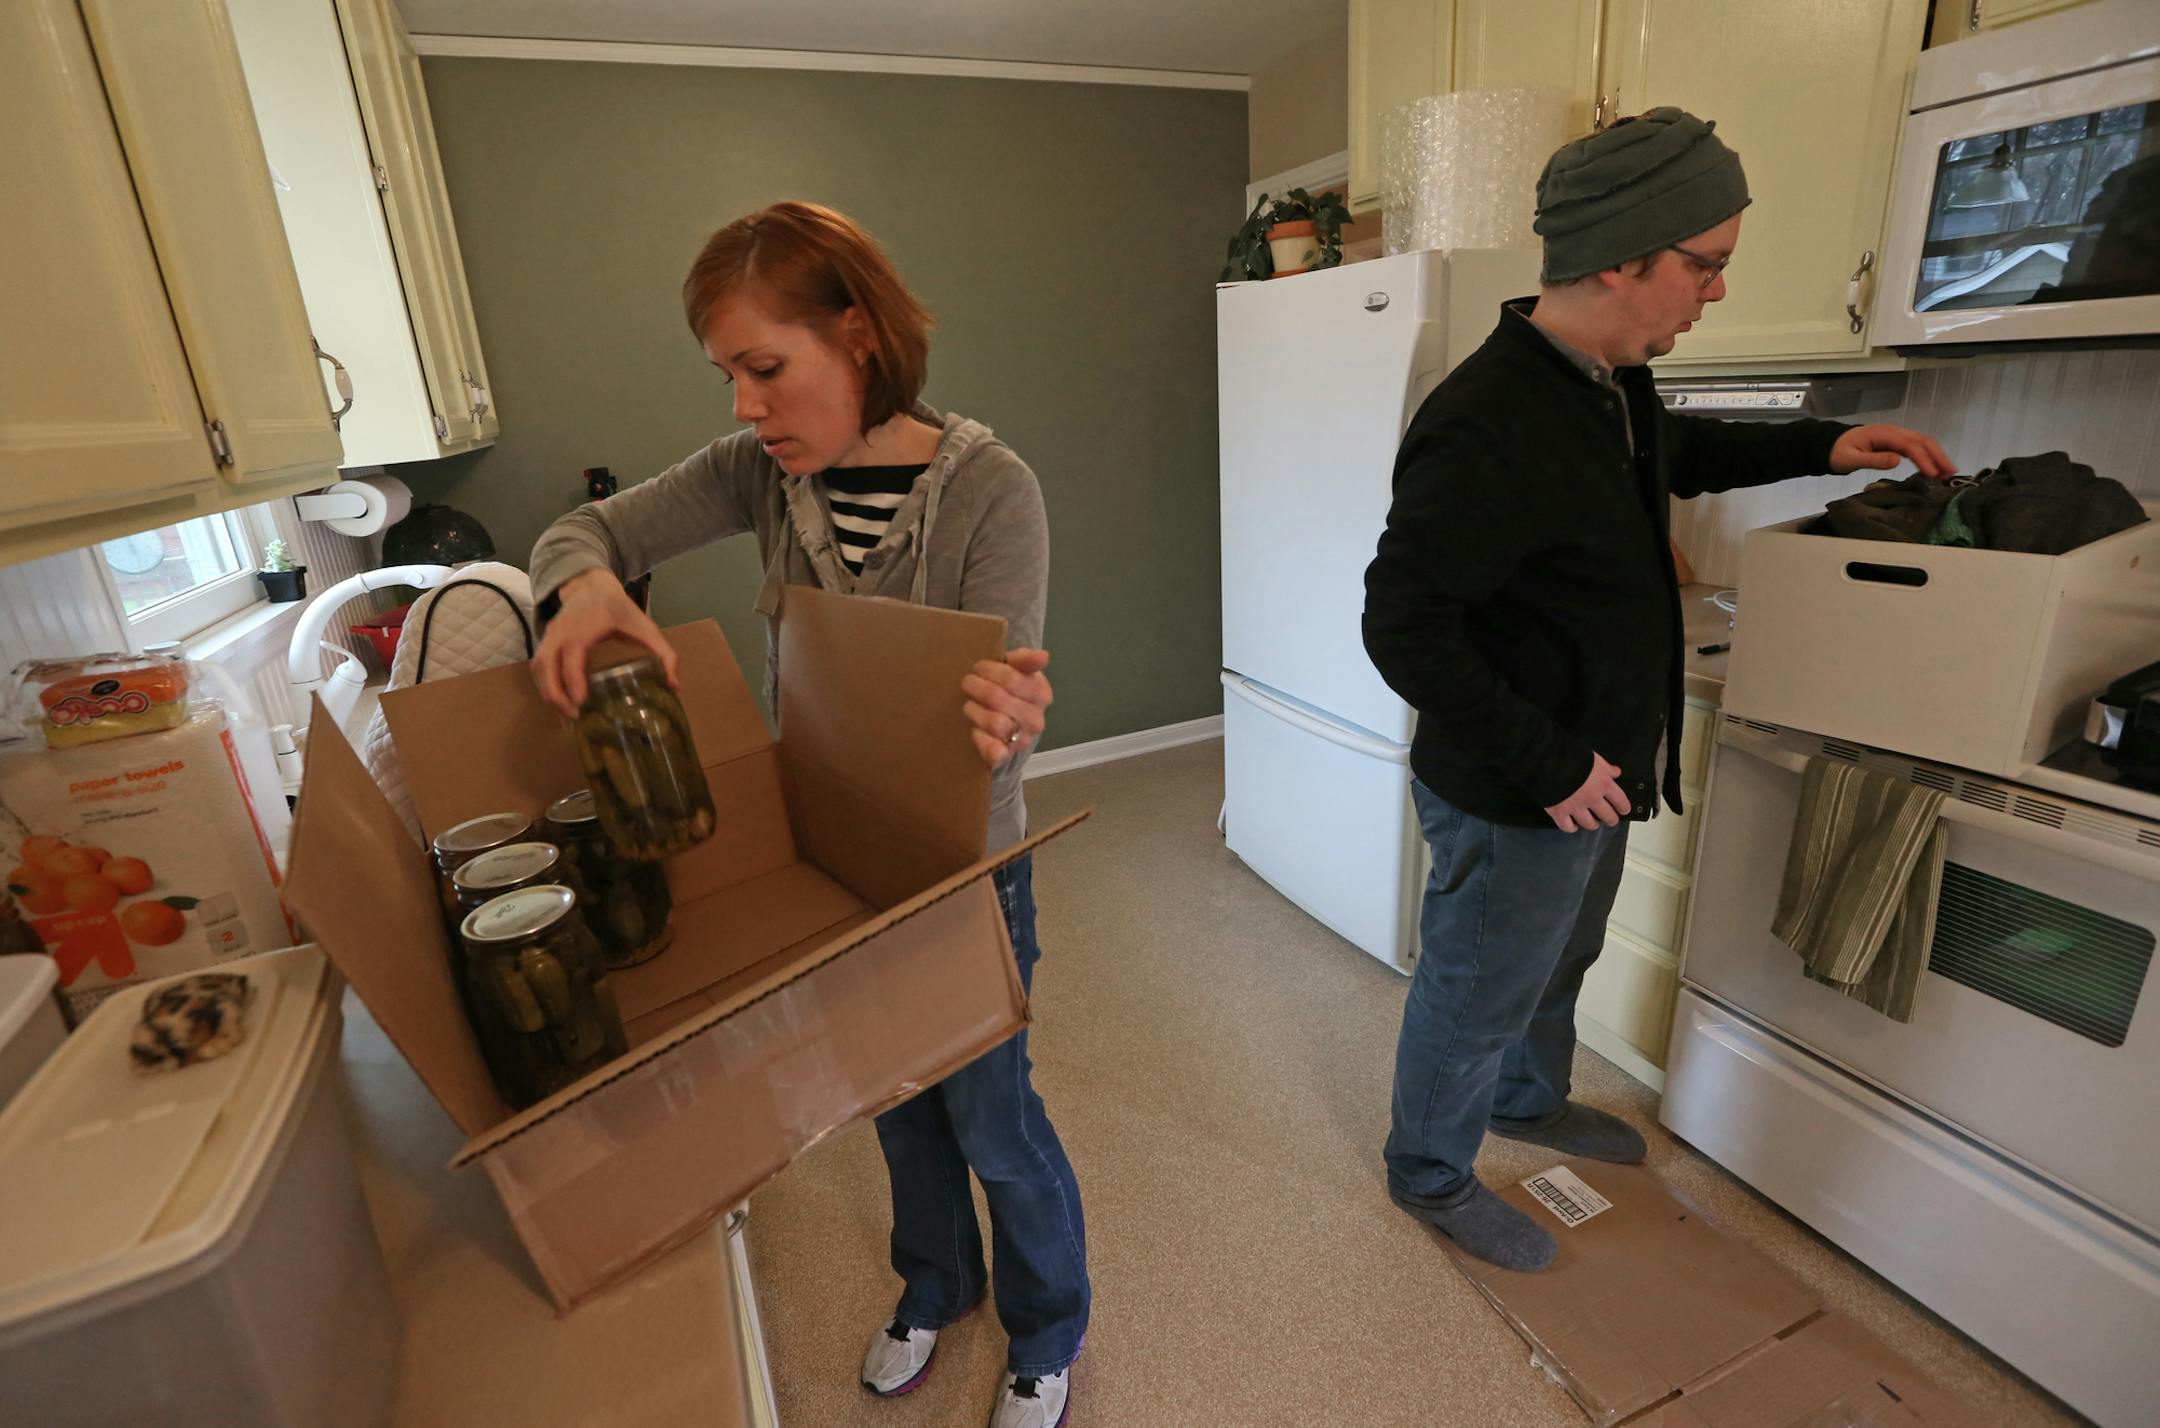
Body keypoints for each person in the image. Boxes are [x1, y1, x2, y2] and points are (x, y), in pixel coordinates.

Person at [1361, 109, 1957, 1272]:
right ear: (1620, 255)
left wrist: (1825, 444)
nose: (1716, 293)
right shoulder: (1489, 420)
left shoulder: (1609, 382)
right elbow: (1402, 627)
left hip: (1600, 767)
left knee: (1558, 960)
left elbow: (1679, 453)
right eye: (1706, 264)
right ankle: (1427, 1173)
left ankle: (1528, 1105)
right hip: (1521, 782)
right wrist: (1551, 764)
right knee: (1480, 985)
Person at [528, 202, 1088, 1428]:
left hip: (964, 870)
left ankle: (1050, 1331)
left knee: (995, 1119)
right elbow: (588, 530)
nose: (743, 405)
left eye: (765, 369)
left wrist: (1006, 708)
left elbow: (1010, 680)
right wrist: (581, 589)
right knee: (893, 1107)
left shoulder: (993, 490)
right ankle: (937, 1286)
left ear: (860, 334)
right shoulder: (758, 477)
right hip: (837, 872)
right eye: (727, 375)